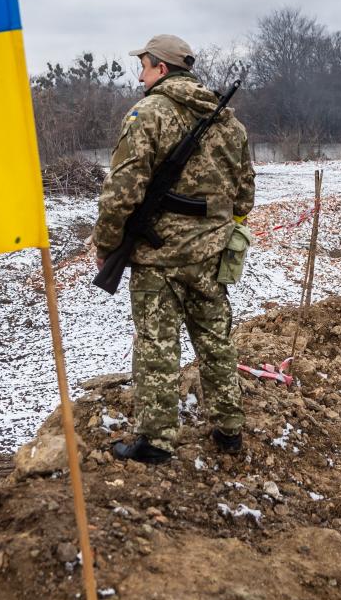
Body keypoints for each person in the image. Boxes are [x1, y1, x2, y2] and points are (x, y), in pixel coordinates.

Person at [93, 34, 255, 465]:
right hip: (209, 259)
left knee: (156, 348)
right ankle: (230, 431)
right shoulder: (229, 124)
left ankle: (156, 441)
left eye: (143, 66)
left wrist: (108, 246)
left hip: (157, 260)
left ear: (161, 69)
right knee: (216, 342)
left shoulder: (147, 115)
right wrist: (214, 234)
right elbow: (244, 198)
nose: (140, 75)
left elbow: (120, 193)